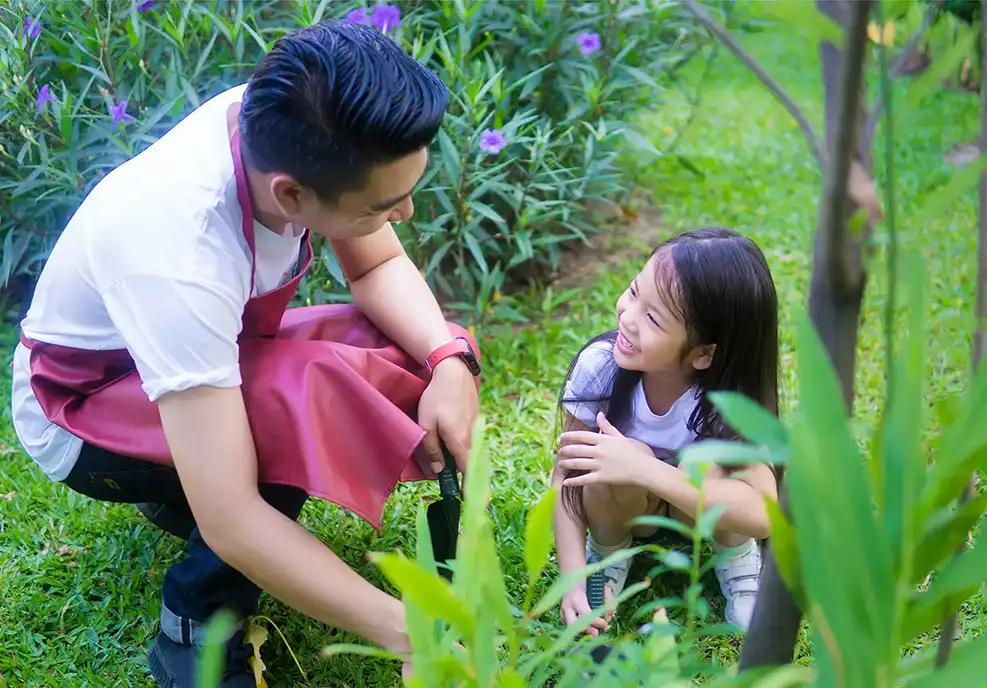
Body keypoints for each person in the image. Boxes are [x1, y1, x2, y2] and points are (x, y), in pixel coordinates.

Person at [9, 20, 481, 687]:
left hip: (196, 365)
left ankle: (182, 491)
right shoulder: (178, 251)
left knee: (396, 350)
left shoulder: (287, 124)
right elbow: (232, 520)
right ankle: (194, 626)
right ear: (291, 193)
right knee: (296, 397)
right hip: (81, 415)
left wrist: (449, 361)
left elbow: (376, 267)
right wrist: (405, 628)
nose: (405, 213)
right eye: (386, 202)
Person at [550, 227, 780, 635]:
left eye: (652, 318)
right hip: (627, 512)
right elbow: (567, 478)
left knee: (706, 462)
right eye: (635, 292)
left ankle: (738, 562)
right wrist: (571, 580)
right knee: (605, 457)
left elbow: (763, 513)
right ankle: (606, 557)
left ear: (705, 354)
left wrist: (645, 469)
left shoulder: (729, 404)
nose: (627, 316)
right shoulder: (600, 369)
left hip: (701, 518)